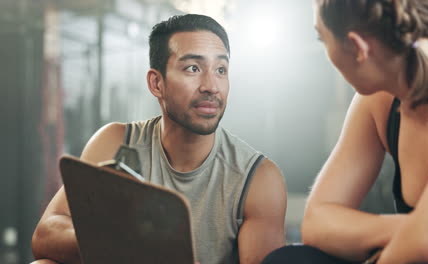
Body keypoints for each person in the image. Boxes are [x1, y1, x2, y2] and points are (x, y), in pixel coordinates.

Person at [31, 14, 287, 264]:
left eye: (221, 69)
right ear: (156, 83)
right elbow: (45, 236)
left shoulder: (258, 179)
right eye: (193, 68)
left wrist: (162, 251)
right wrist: (127, 242)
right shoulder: (116, 143)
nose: (211, 85)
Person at [263, 0, 428, 263]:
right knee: (290, 260)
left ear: (358, 47)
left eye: (321, 38)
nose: (325, 51)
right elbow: (317, 221)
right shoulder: (380, 100)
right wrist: (417, 230)